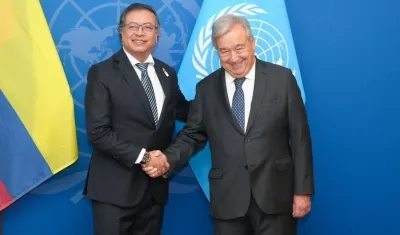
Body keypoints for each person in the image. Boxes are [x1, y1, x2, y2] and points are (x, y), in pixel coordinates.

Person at [142, 14, 315, 235]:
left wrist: (302, 191)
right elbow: (192, 135)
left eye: (239, 48)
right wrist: (167, 158)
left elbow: (300, 139)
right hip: (228, 200)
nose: (233, 58)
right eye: (224, 51)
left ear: (252, 43)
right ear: (217, 51)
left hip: (276, 196)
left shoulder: (282, 79)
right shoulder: (206, 88)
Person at [83, 3, 190, 235]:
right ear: (121, 32)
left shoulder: (167, 74)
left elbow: (185, 112)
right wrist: (145, 157)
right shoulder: (102, 73)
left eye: (147, 27)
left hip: (154, 191)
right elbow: (98, 132)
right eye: (133, 26)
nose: (139, 33)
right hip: (114, 191)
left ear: (157, 34)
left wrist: (221, 98)